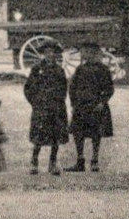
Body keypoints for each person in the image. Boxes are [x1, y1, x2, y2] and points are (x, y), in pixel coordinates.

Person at [66, 43, 114, 172]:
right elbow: (72, 87)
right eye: (84, 52)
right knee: (78, 133)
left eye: (88, 52)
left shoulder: (103, 70)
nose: (85, 54)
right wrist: (73, 103)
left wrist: (102, 102)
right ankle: (80, 160)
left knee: (96, 133)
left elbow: (109, 89)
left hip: (96, 106)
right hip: (81, 106)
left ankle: (95, 160)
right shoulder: (80, 69)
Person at [24, 43, 70, 175]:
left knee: (56, 136)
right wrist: (35, 102)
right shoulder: (37, 69)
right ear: (43, 54)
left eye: (53, 52)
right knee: (39, 136)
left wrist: (59, 102)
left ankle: (52, 163)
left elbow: (63, 88)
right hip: (41, 108)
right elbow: (28, 88)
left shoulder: (59, 70)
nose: (50, 55)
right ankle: (34, 162)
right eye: (47, 52)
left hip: (56, 107)